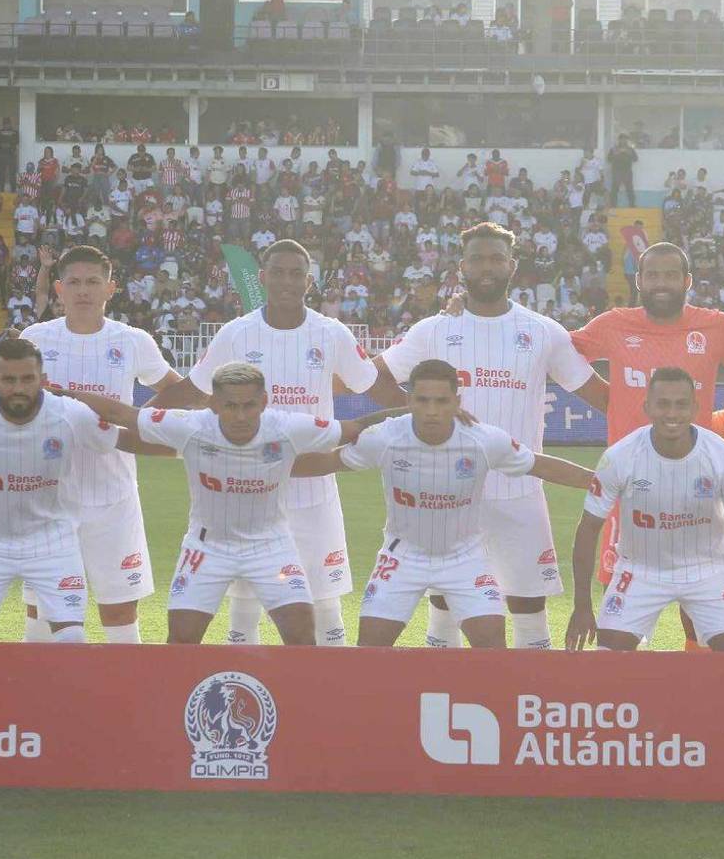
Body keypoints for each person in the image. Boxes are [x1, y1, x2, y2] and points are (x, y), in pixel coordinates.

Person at [145, 239, 400, 646]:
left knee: (325, 606)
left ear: (309, 281)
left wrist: (418, 415)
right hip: (248, 489)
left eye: (295, 273)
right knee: (244, 610)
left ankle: (325, 696)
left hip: (312, 486)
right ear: (262, 278)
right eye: (277, 272)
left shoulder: (330, 332)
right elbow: (193, 389)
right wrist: (141, 422)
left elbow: (376, 388)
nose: (286, 280)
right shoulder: (237, 333)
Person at [375, 222, 609, 650]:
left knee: (527, 606)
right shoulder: (433, 330)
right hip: (447, 494)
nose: (487, 267)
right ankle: (440, 703)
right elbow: (374, 376)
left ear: (512, 266)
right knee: (445, 602)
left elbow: (601, 396)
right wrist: (413, 415)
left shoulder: (543, 331)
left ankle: (525, 702)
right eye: (478, 259)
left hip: (519, 491)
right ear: (462, 267)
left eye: (496, 259)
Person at [71, 361, 395, 646]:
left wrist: (420, 414)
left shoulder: (288, 427)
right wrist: (50, 395)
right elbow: (122, 415)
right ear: (213, 404)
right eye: (230, 406)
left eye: (249, 405)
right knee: (181, 640)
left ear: (265, 402)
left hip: (273, 547)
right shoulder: (191, 425)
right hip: (206, 548)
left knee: (301, 638)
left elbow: (356, 428)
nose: (240, 415)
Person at [293, 359, 594, 648]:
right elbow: (329, 461)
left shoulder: (484, 440)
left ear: (457, 402)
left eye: (441, 401)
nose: (432, 411)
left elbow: (539, 465)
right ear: (409, 401)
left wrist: (595, 480)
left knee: (492, 648)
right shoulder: (386, 437)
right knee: (371, 646)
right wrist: (264, 468)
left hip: (465, 558)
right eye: (423, 401)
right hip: (402, 557)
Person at [0, 338, 168, 643]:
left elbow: (121, 439)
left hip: (54, 544)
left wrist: (188, 448)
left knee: (71, 638)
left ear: (43, 379)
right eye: (9, 379)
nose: (18, 388)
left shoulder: (70, 414)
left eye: (27, 379)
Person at [571, 241, 724, 650]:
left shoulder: (716, 326)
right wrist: (606, 397)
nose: (662, 283)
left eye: (671, 275)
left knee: (701, 597)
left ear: (688, 281)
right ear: (639, 281)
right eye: (652, 275)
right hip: (630, 482)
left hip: (697, 477)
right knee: (620, 592)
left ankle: (696, 681)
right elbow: (556, 350)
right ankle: (632, 695)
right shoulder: (613, 324)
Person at [4, 244, 184, 644]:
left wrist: (134, 426)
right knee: (43, 610)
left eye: (93, 282)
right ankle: (40, 704)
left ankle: (126, 703)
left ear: (110, 288)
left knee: (119, 609)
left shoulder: (133, 340)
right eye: (74, 282)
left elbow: (175, 389)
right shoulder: (36, 339)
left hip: (112, 496)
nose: (83, 290)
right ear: (58, 288)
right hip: (46, 499)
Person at [566, 367, 724, 653]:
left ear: (695, 408)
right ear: (647, 407)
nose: (671, 414)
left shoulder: (723, 456)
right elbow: (587, 530)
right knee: (608, 653)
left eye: (681, 404)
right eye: (663, 404)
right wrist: (582, 606)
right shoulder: (620, 457)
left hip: (709, 571)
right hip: (640, 570)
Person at [608, 134, 638, 207]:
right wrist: (617, 153)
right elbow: (609, 159)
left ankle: (632, 205)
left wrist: (628, 152)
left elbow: (636, 159)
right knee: (614, 189)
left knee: (629, 189)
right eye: (622, 139)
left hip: (627, 171)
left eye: (625, 139)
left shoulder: (630, 149)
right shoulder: (614, 149)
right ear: (619, 140)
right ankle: (613, 205)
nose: (623, 141)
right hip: (616, 171)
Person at [0, 117, 19, 192]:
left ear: (10, 124)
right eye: (5, 124)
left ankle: (13, 190)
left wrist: (8, 144)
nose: (6, 125)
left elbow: (16, 141)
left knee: (12, 174)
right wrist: (4, 144)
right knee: (1, 173)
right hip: (2, 155)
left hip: (11, 155)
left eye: (8, 124)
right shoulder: (0, 132)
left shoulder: (15, 132)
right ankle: (1, 190)